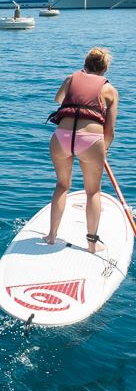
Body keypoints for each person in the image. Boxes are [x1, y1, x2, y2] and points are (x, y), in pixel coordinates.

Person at [44, 48, 118, 253]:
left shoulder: (70, 78)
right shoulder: (110, 90)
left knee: (62, 185)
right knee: (93, 191)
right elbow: (109, 130)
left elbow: (59, 99)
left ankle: (51, 236)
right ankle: (92, 244)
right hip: (91, 141)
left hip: (62, 138)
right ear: (104, 69)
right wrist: (105, 150)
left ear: (85, 64)